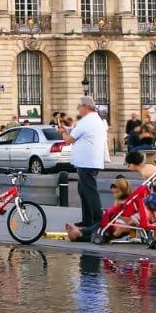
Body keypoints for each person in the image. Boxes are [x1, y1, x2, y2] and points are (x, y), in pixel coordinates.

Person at [60, 96, 109, 232]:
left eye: (79, 106)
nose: (78, 108)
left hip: (86, 162)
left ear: (86, 107)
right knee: (84, 191)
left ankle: (98, 221)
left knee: (89, 191)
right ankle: (87, 220)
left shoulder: (86, 121)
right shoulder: (95, 120)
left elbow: (69, 140)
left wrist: (63, 133)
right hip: (90, 161)